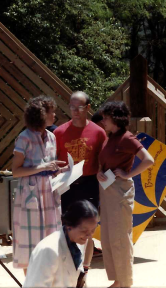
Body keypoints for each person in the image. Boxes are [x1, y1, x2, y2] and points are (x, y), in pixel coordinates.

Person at [97, 101, 154, 288]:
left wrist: (129, 174)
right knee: (107, 237)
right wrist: (100, 171)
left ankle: (125, 282)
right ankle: (118, 280)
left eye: (106, 117)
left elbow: (148, 160)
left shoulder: (127, 138)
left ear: (115, 118)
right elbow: (106, 162)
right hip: (107, 191)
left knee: (120, 237)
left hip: (120, 191)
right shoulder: (109, 137)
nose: (103, 120)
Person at [12, 95, 66, 274]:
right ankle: (30, 283)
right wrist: (42, 167)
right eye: (52, 113)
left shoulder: (51, 137)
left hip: (49, 194)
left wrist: (59, 170)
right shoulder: (24, 138)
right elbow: (16, 171)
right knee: (30, 241)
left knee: (51, 240)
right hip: (31, 195)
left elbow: (48, 166)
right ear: (41, 115)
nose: (55, 116)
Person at [54, 91, 106, 271]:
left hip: (89, 184)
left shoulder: (98, 132)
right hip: (66, 185)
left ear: (88, 108)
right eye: (72, 107)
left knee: (88, 228)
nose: (75, 111)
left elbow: (104, 158)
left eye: (80, 107)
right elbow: (53, 160)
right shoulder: (59, 132)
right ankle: (67, 268)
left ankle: (85, 270)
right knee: (66, 227)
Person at [23, 200, 99, 287]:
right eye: (84, 231)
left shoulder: (79, 242)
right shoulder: (48, 250)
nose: (89, 235)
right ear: (69, 225)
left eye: (93, 230)